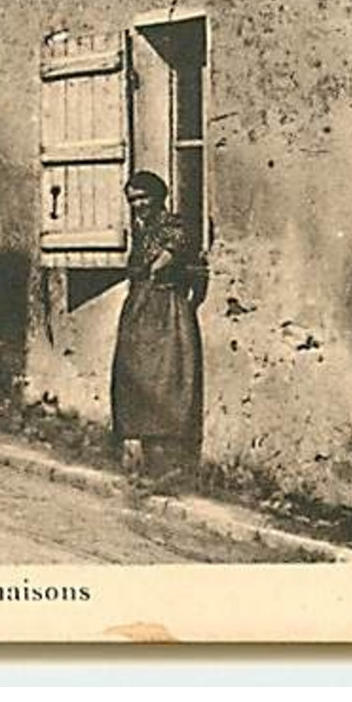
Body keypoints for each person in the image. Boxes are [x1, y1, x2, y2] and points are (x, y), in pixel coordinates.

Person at [110, 170, 206, 490]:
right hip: (139, 307)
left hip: (165, 309)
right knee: (133, 377)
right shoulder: (142, 230)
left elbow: (163, 263)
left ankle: (170, 463)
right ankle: (140, 455)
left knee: (166, 378)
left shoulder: (172, 227)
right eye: (133, 200)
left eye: (144, 198)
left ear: (159, 197)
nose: (139, 205)